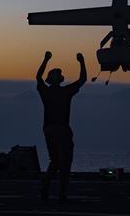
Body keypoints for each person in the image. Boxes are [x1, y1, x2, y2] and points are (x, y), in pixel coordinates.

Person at [36, 51, 87, 202]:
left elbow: (38, 77)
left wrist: (45, 60)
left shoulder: (45, 91)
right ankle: (61, 193)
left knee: (55, 161)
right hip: (61, 129)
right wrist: (81, 62)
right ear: (57, 79)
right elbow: (82, 79)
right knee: (64, 162)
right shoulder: (65, 92)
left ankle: (45, 184)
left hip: (48, 129)